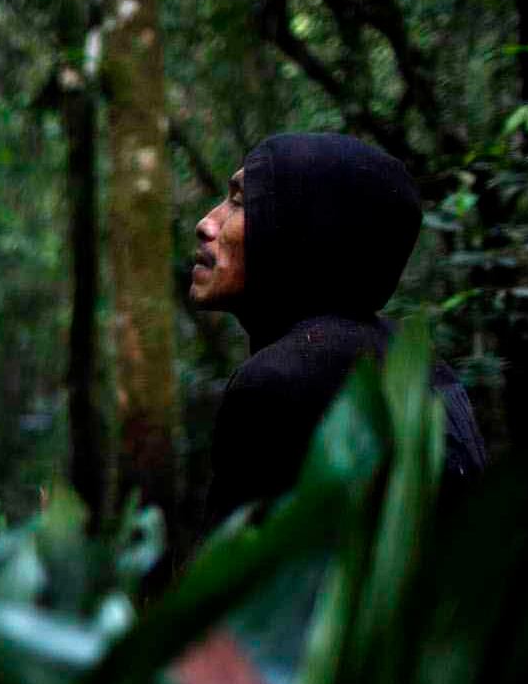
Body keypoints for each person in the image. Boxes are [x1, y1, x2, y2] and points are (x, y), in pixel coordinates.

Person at [193, 132, 486, 527]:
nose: (206, 223)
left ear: (300, 228)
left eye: (240, 202)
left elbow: (240, 577)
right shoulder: (423, 366)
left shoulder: (275, 383)